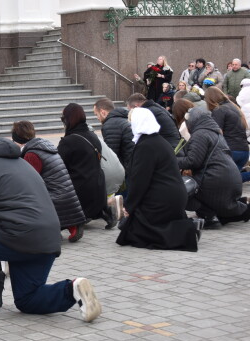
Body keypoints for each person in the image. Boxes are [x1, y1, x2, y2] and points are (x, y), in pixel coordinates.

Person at [0, 137, 102, 322]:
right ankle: (72, 289)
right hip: (47, 238)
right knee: (28, 299)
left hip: (17, 235)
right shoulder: (22, 163)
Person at [116, 108, 199, 251]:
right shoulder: (157, 141)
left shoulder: (146, 146)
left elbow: (139, 181)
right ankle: (186, 228)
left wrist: (129, 205)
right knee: (130, 228)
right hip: (171, 197)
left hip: (163, 199)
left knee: (134, 232)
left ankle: (187, 231)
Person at [11, 121, 86, 243]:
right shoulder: (44, 147)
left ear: (17, 139)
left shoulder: (31, 154)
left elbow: (30, 181)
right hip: (67, 195)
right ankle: (73, 225)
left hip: (55, 197)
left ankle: (52, 231)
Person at [178, 108, 250, 228]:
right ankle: (240, 210)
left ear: (194, 120)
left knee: (181, 191)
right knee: (224, 206)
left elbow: (193, 161)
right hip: (229, 177)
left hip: (214, 179)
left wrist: (172, 160)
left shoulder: (200, 134)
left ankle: (209, 216)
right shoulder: (215, 133)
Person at [57, 103, 112, 227]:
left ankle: (74, 221)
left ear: (68, 120)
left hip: (80, 191)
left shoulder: (68, 142)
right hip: (99, 187)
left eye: (63, 118)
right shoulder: (93, 136)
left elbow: (59, 166)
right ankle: (104, 213)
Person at [204, 87, 250, 182]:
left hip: (231, 151)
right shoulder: (234, 107)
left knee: (225, 180)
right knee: (231, 180)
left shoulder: (219, 110)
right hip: (243, 150)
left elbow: (217, 133)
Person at [93, 98, 134, 169]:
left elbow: (111, 155)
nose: (97, 118)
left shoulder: (110, 125)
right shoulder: (123, 119)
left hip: (128, 167)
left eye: (97, 114)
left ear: (103, 112)